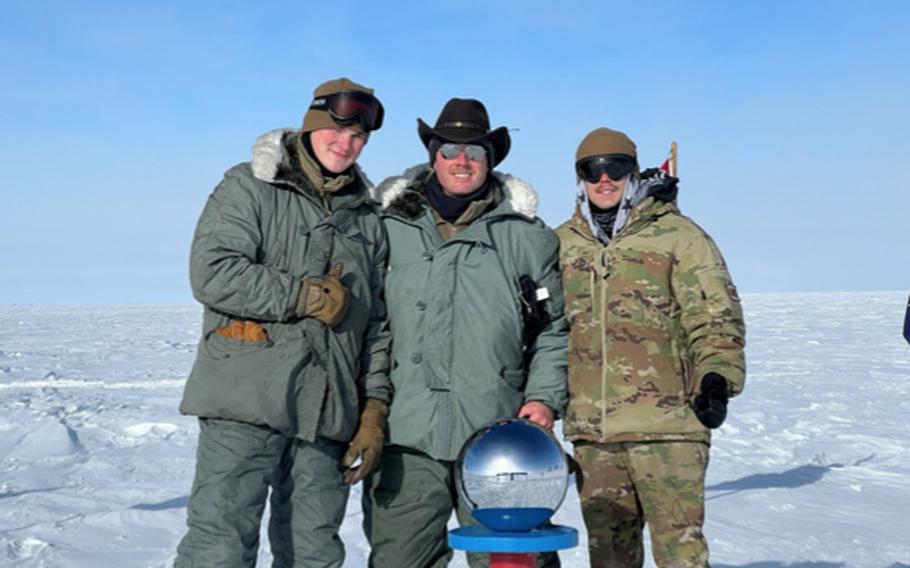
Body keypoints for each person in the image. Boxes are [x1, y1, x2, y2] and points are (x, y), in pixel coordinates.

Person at [175, 77, 392, 568]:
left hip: (327, 409)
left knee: (313, 552)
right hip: (245, 399)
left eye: (359, 137)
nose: (347, 143)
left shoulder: (367, 218)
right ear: (311, 125)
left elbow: (377, 324)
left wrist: (374, 407)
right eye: (337, 131)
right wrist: (305, 296)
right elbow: (212, 273)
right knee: (221, 545)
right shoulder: (250, 185)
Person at [363, 98, 569, 567]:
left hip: (499, 437)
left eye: (476, 153)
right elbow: (367, 324)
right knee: (399, 559)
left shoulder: (525, 237)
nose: (463, 162)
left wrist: (543, 398)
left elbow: (553, 330)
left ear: (490, 162)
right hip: (406, 434)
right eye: (451, 150)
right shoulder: (387, 228)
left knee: (514, 562)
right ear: (433, 155)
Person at [556, 127, 746, 568]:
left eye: (615, 168)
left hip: (669, 428)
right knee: (608, 556)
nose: (604, 180)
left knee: (680, 553)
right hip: (595, 433)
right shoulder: (563, 243)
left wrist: (716, 378)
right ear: (580, 178)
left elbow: (715, 316)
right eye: (592, 170)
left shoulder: (679, 236)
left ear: (632, 172)